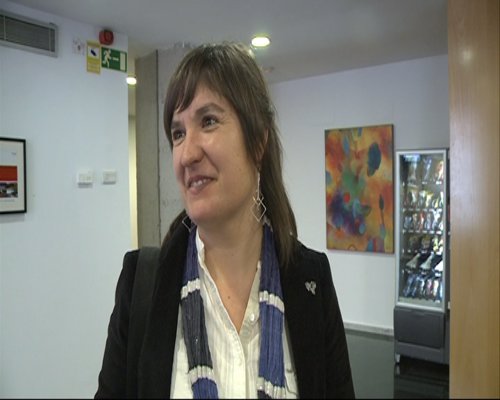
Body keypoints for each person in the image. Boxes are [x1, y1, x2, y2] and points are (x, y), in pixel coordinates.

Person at [95, 42, 355, 399]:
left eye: (208, 121)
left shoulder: (311, 281)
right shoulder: (142, 284)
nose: (187, 154)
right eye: (178, 133)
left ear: (258, 141)